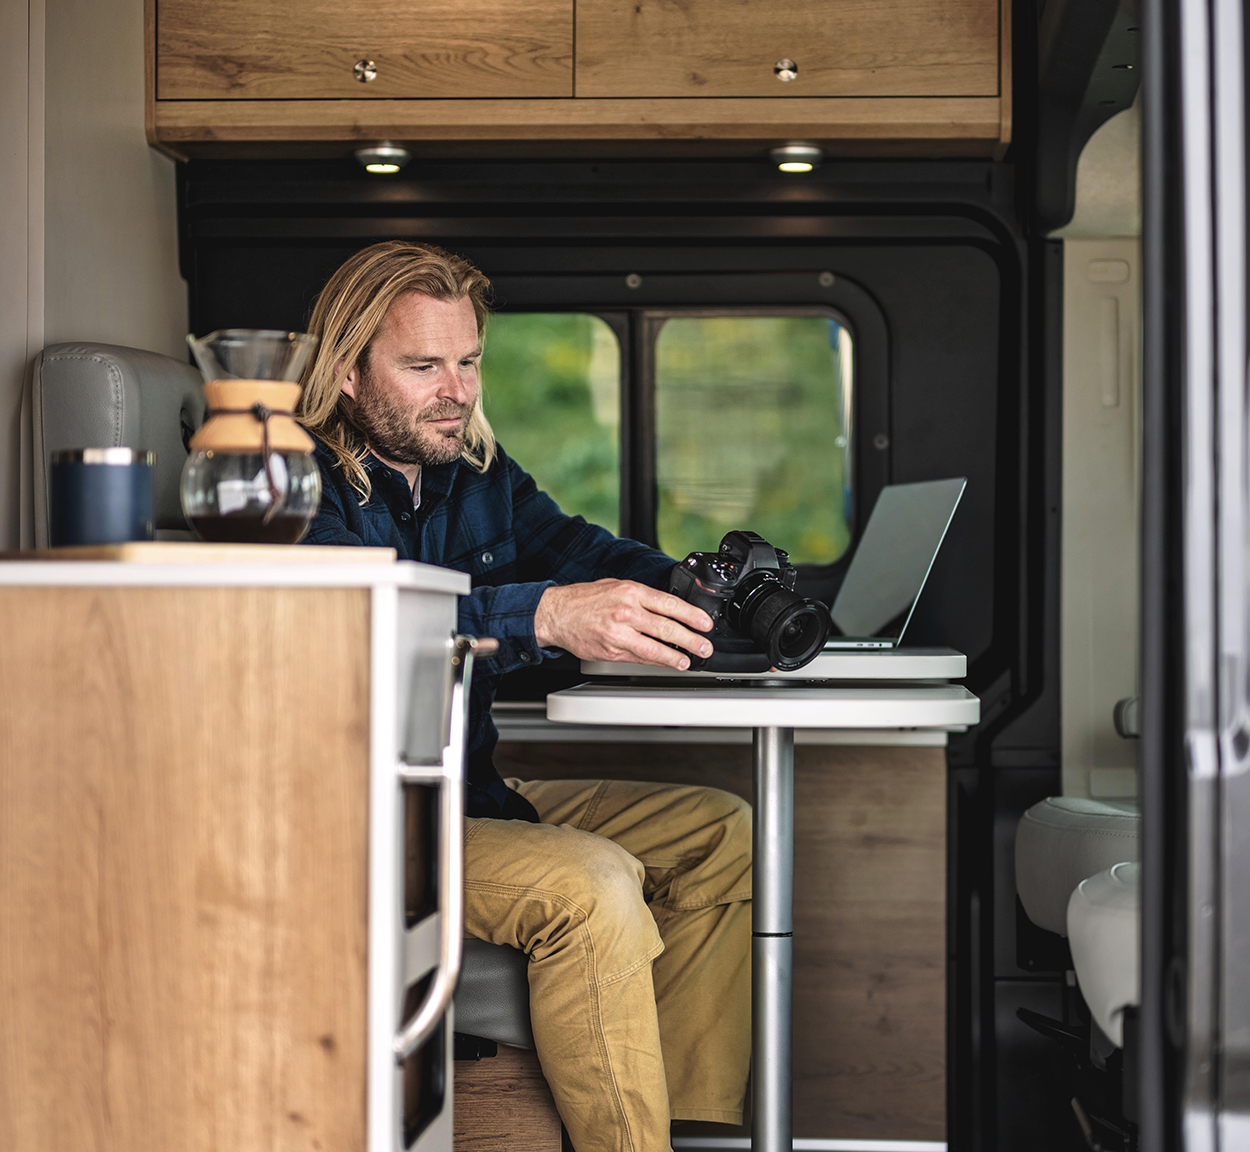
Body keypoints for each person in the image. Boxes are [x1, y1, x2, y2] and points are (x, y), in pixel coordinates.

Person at [296, 241, 751, 1151]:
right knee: (593, 884)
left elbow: (582, 555)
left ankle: (690, 1130)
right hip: (363, 825)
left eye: (468, 363)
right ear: (348, 371)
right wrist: (543, 617)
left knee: (720, 831)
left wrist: (697, 596)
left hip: (471, 800)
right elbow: (356, 628)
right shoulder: (294, 480)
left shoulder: (474, 474)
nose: (456, 391)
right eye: (423, 366)